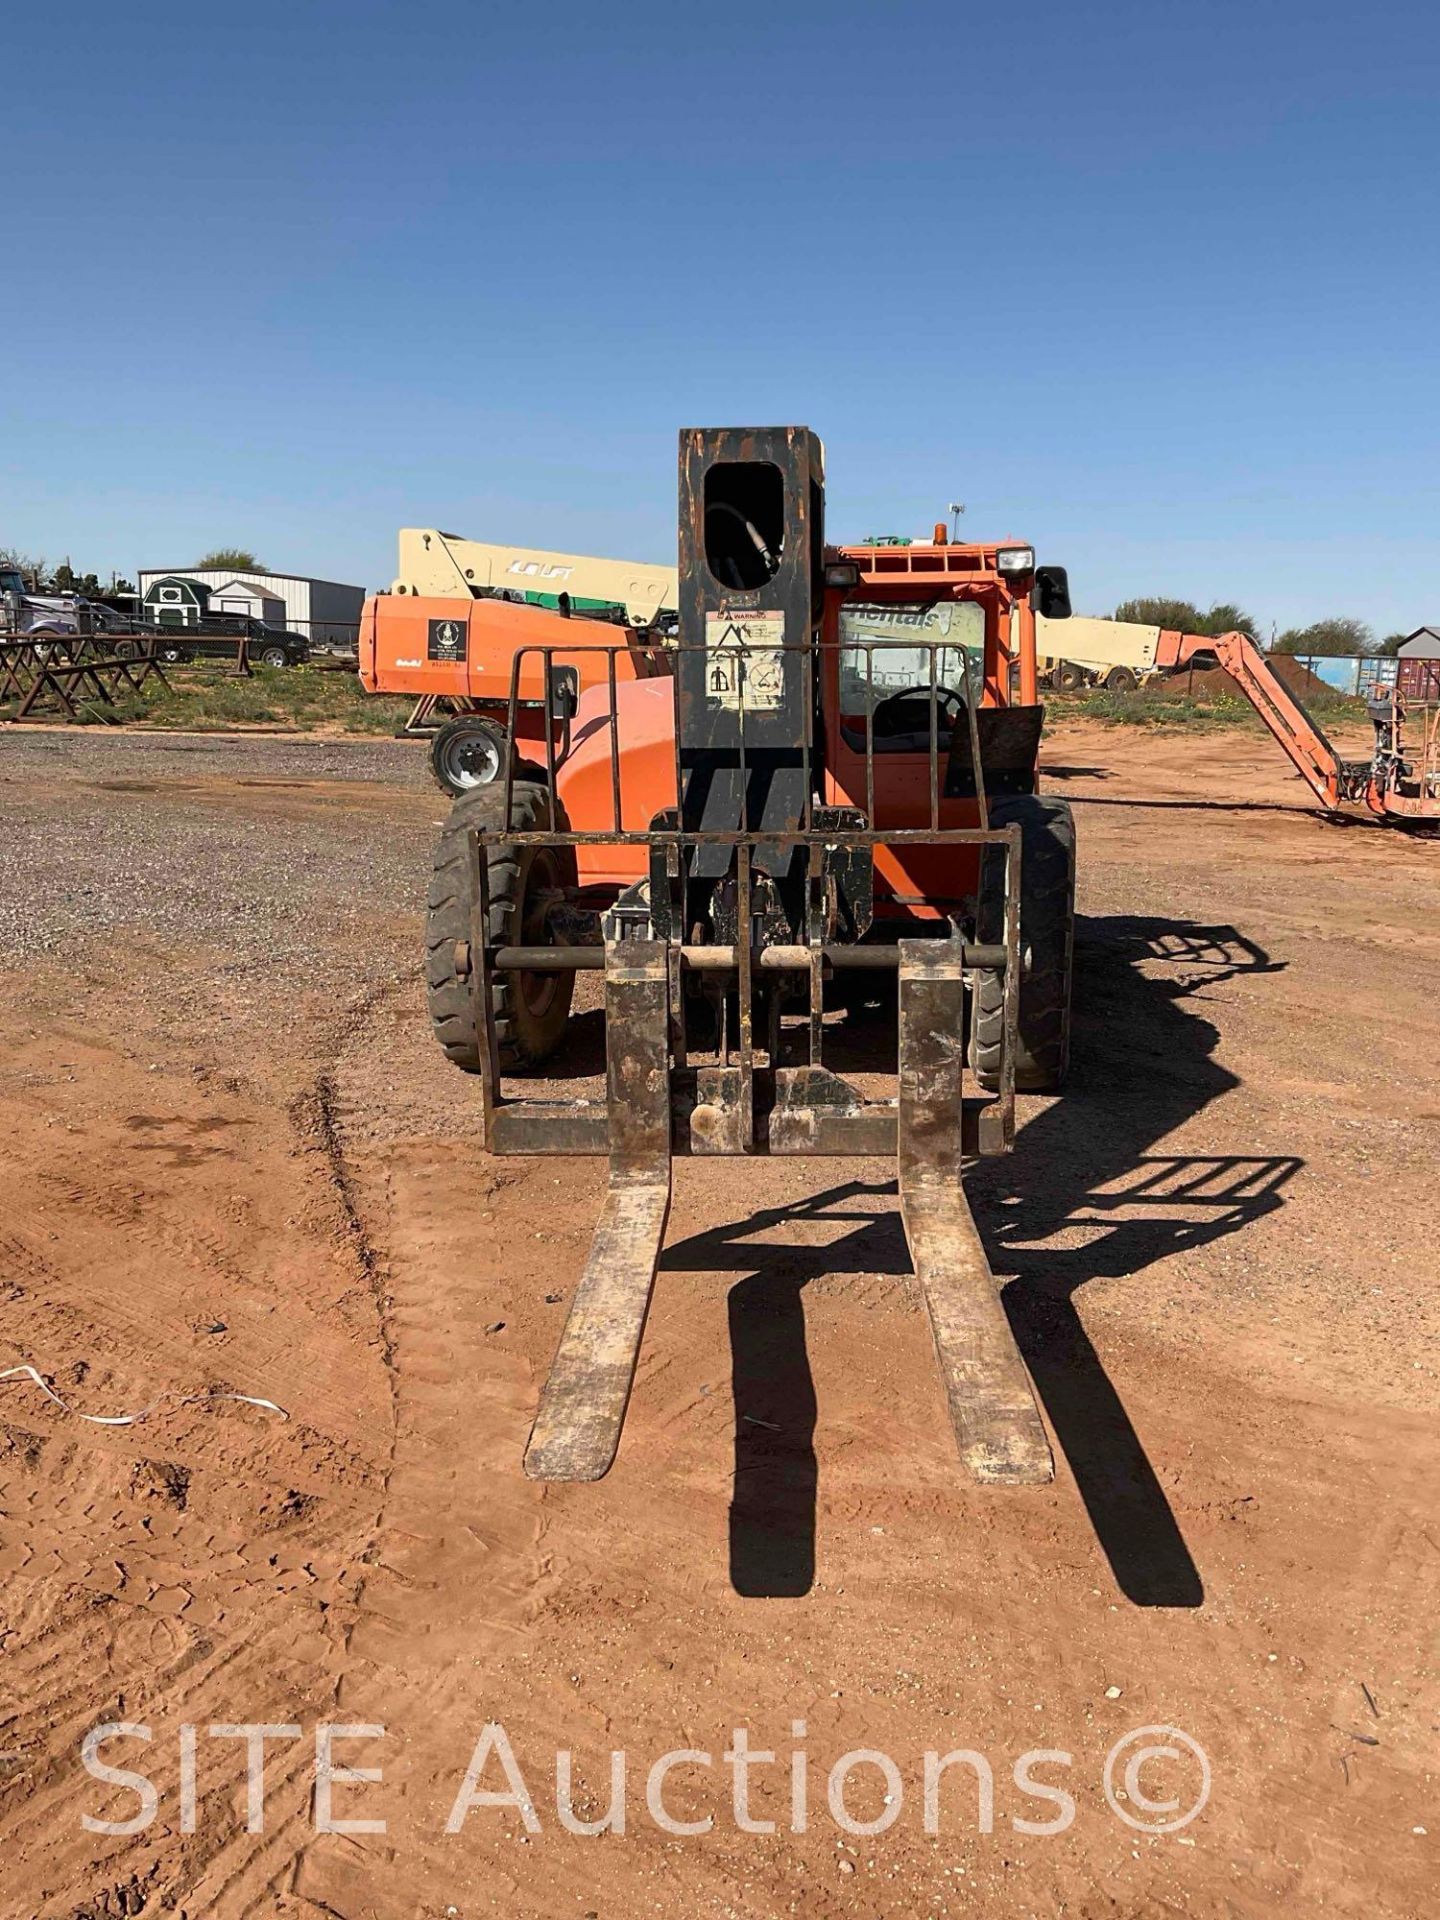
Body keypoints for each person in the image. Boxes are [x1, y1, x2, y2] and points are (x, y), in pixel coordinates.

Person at [1367, 680, 1403, 756]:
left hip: (1387, 718)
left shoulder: (1389, 704)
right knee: (1380, 729)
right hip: (1382, 718)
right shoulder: (1379, 703)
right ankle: (1381, 743)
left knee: (1389, 731)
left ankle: (1386, 744)